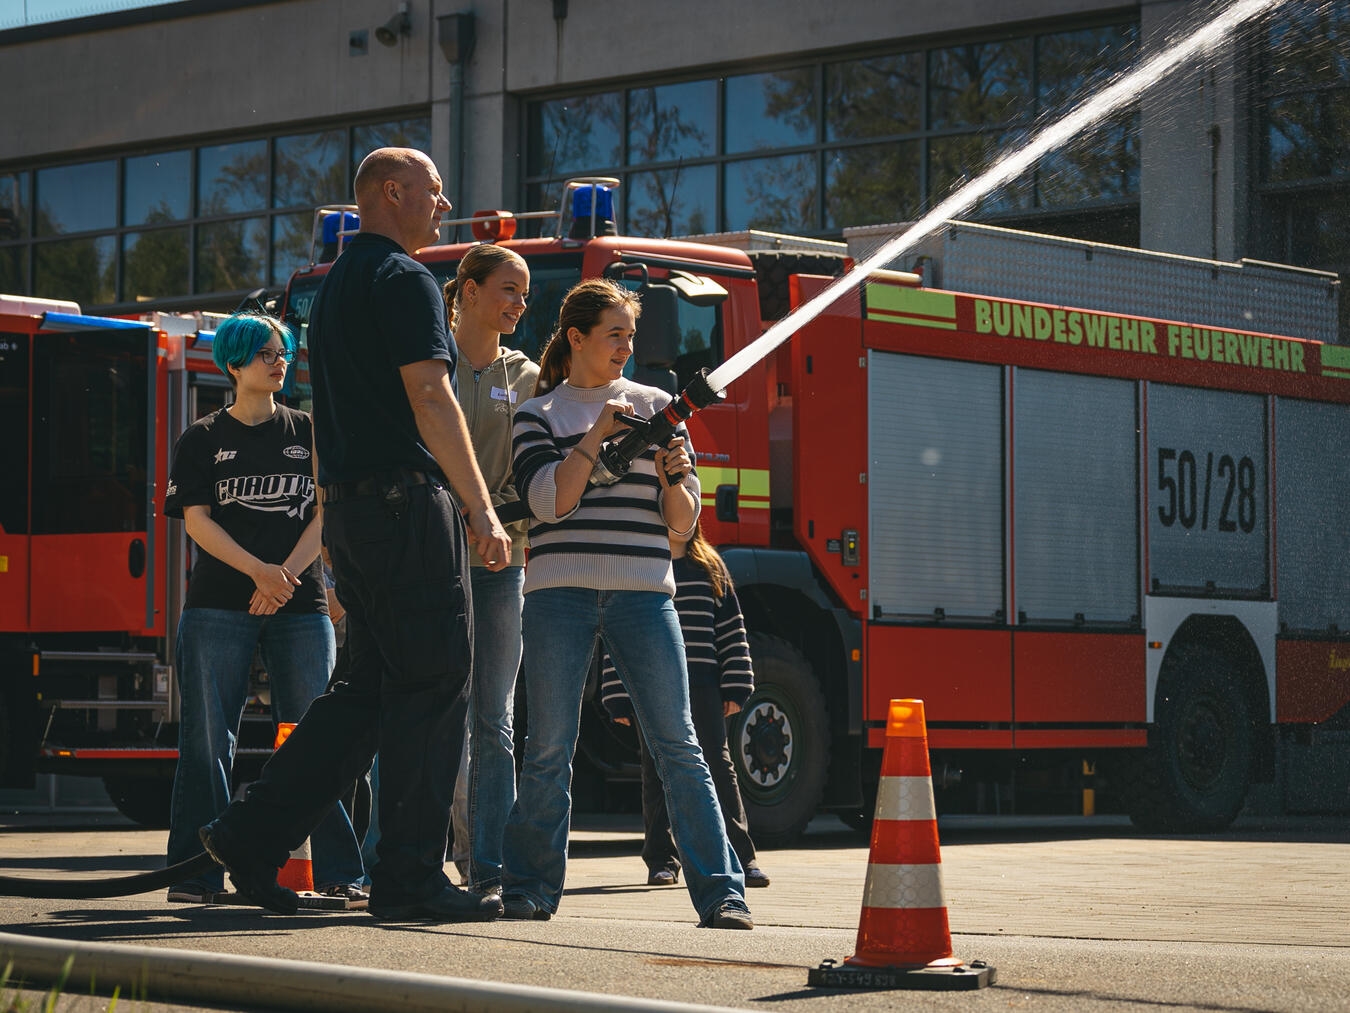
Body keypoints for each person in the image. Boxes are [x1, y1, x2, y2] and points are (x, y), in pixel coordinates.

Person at [197, 147, 512, 923]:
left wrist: (339, 525)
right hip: (408, 509)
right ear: (393, 193)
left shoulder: (335, 286)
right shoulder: (404, 279)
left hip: (357, 514)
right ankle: (408, 876)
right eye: (434, 194)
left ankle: (249, 831)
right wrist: (481, 505)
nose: (443, 208)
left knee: (365, 692)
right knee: (437, 680)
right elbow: (431, 397)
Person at [499, 278, 754, 929]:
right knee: (549, 745)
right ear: (577, 337)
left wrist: (674, 479)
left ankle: (722, 892)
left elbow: (682, 526)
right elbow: (548, 502)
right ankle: (528, 887)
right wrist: (596, 437)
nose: (626, 346)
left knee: (680, 743)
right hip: (559, 593)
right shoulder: (538, 413)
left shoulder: (661, 405)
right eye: (614, 333)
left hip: (646, 593)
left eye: (631, 335)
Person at [163, 311, 367, 906]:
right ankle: (194, 876)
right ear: (234, 364)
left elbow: (323, 513)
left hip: (301, 606)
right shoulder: (202, 438)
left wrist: (286, 578)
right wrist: (259, 573)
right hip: (218, 606)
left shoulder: (309, 431)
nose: (280, 363)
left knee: (319, 737)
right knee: (208, 743)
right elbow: (196, 522)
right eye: (266, 354)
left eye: (283, 353)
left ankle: (340, 871)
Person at [441, 245, 539, 895]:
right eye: (508, 290)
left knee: (494, 719)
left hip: (505, 562)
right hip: (434, 561)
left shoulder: (526, 374)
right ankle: (417, 852)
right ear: (469, 292)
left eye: (525, 296)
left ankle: (489, 865)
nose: (518, 305)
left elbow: (538, 466)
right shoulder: (431, 365)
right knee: (433, 711)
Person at [601, 518, 770, 890]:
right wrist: (617, 694)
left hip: (704, 683)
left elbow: (730, 629)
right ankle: (661, 859)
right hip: (652, 682)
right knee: (655, 768)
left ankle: (742, 856)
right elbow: (618, 631)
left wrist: (737, 685)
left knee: (717, 764)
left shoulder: (711, 567)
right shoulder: (643, 565)